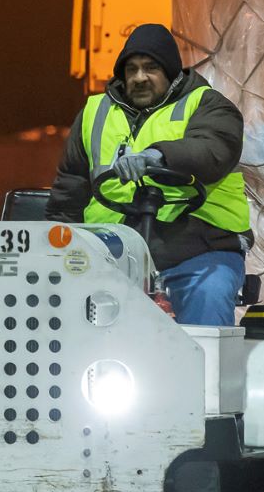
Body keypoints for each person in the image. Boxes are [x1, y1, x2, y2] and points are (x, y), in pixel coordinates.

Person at [48, 23, 251, 326]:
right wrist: (55, 254)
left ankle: (204, 373)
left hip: (199, 252)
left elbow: (213, 150)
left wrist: (159, 155)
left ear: (170, 72)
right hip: (111, 255)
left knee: (208, 294)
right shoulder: (94, 112)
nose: (139, 78)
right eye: (131, 69)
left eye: (150, 68)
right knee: (61, 311)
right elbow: (70, 189)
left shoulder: (208, 105)